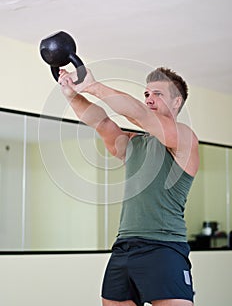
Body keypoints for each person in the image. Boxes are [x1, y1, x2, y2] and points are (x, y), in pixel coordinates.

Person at [58, 66, 199, 306]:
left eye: (157, 94)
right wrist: (72, 95)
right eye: (146, 94)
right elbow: (101, 122)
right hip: (124, 247)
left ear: (176, 102)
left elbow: (140, 116)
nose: (149, 99)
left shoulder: (184, 138)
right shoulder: (134, 144)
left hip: (163, 247)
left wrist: (92, 86)